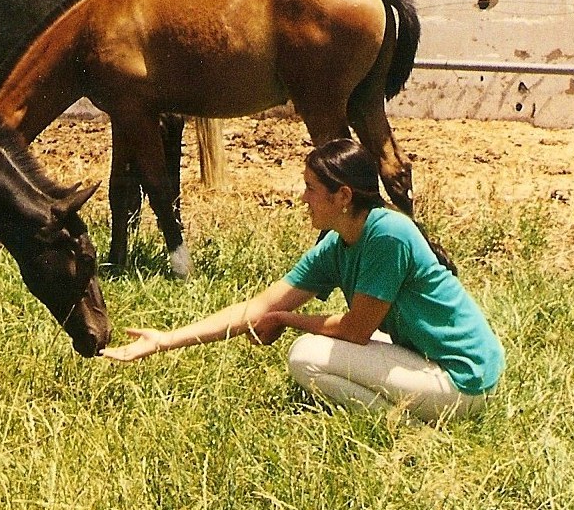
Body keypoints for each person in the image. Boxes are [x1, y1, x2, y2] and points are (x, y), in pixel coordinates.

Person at [101, 138, 503, 422]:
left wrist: (287, 320)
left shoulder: (388, 234)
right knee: (316, 352)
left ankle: (408, 430)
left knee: (306, 356)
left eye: (311, 188)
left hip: (463, 382)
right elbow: (260, 307)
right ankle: (408, 419)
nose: (303, 198)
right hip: (429, 362)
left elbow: (356, 330)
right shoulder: (339, 243)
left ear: (343, 196)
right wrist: (165, 340)